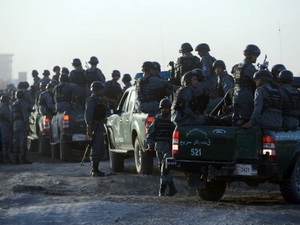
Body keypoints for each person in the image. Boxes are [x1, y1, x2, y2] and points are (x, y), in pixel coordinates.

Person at [146, 98, 177, 197]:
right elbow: (150, 133)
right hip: (158, 147)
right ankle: (172, 188)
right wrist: (150, 144)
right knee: (162, 168)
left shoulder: (172, 119)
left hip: (168, 146)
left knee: (165, 167)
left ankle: (162, 190)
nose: (165, 110)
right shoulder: (157, 119)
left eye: (167, 108)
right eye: (163, 108)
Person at [232, 44, 261, 125]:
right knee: (245, 118)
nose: (256, 58)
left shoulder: (238, 66)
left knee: (236, 119)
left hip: (236, 94)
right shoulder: (249, 67)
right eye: (255, 55)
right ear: (250, 55)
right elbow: (257, 80)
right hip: (246, 94)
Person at [85, 81, 108, 177]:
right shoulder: (91, 101)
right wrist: (89, 127)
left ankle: (96, 168)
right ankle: (94, 169)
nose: (102, 91)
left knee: (101, 148)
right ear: (96, 90)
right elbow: (88, 115)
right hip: (95, 126)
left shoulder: (99, 100)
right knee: (96, 147)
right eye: (100, 89)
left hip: (100, 124)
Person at [12, 90, 31, 164]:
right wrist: (27, 125)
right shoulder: (23, 103)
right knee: (23, 141)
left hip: (15, 123)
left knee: (16, 140)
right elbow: (25, 115)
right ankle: (23, 158)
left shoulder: (14, 103)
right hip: (21, 122)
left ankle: (16, 158)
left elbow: (11, 114)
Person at [0, 95, 13, 163]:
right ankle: (5, 158)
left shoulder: (2, 107)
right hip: (4, 126)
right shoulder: (4, 108)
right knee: (5, 142)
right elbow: (10, 117)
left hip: (3, 126)